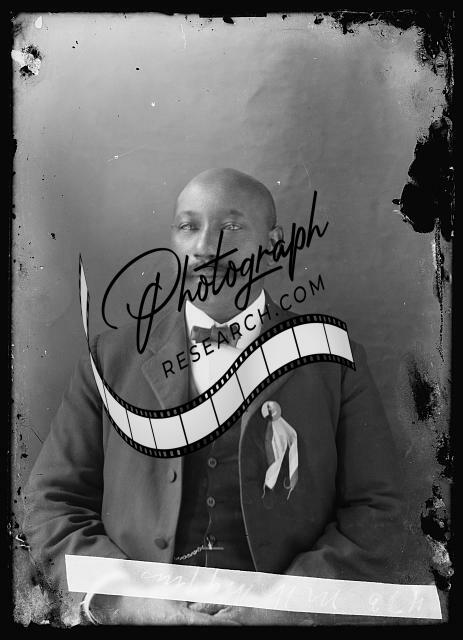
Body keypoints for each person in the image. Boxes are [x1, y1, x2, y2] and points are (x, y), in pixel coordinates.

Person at [23, 168, 404, 626]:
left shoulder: (335, 360)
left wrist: (283, 607)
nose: (206, 246)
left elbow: (378, 511)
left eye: (232, 227)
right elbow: (51, 504)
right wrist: (132, 602)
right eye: (189, 226)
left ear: (274, 242)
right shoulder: (108, 359)